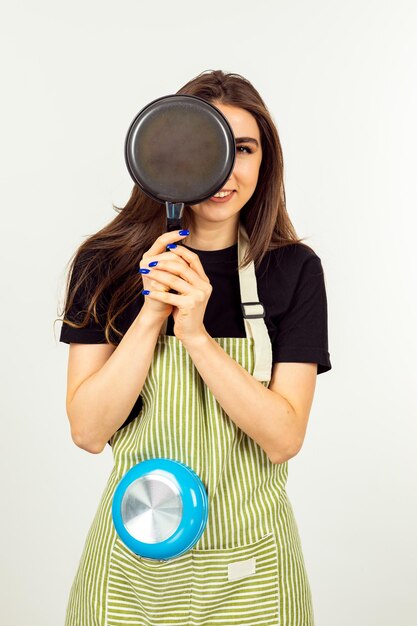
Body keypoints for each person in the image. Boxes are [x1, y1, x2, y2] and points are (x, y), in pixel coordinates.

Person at [58, 69, 332, 626]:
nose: (226, 169)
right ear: (165, 155)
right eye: (209, 146)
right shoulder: (103, 265)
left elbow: (283, 438)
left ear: (265, 162)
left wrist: (196, 337)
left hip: (251, 574)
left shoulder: (293, 272)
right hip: (133, 573)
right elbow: (88, 430)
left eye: (245, 148)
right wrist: (152, 311)